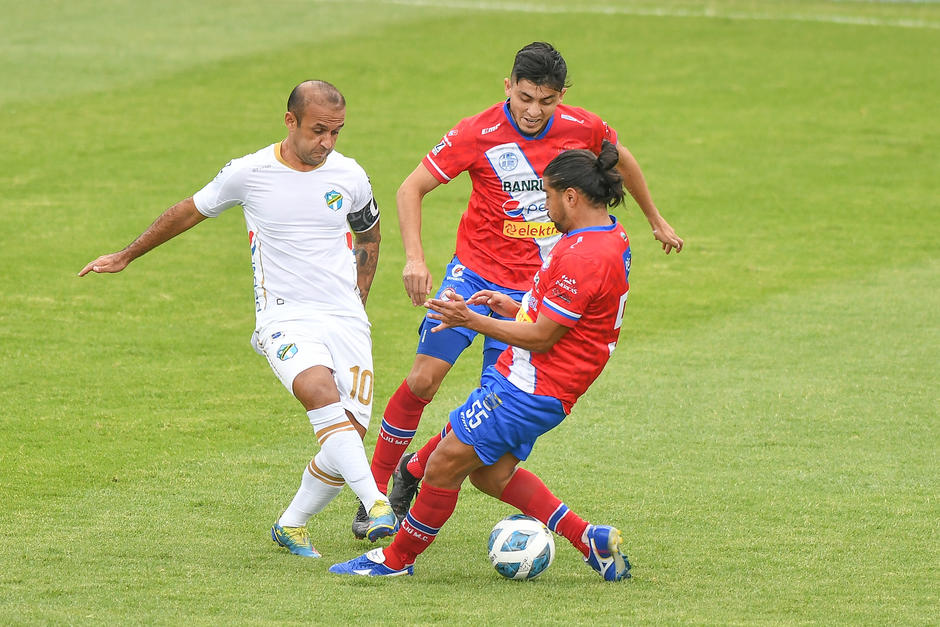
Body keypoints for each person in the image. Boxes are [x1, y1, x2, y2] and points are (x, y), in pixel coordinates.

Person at [356, 41, 682, 536]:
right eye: (525, 97)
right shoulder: (477, 131)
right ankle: (378, 494)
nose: (533, 111)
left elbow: (621, 160)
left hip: (536, 287)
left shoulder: (584, 128)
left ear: (562, 96)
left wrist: (655, 219)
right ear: (507, 87)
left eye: (546, 101)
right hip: (475, 272)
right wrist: (416, 258)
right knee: (424, 379)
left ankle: (415, 474)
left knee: (490, 398)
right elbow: (410, 187)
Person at [79, 80, 398, 558]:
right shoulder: (250, 172)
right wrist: (127, 255)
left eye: (336, 132)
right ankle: (375, 501)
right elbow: (189, 211)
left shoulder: (349, 174)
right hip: (283, 316)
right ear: (290, 122)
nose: (327, 143)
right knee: (318, 391)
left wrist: (360, 299)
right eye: (318, 131)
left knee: (347, 432)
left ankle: (291, 525)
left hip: (345, 317)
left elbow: (368, 231)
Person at [330, 140, 634, 579]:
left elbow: (543, 337)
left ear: (571, 196)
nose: (542, 205)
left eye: (547, 195)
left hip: (529, 387)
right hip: (540, 383)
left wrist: (469, 317)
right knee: (490, 476)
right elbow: (568, 321)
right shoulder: (608, 234)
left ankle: (395, 560)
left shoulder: (584, 256)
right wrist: (510, 306)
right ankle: (587, 537)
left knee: (443, 466)